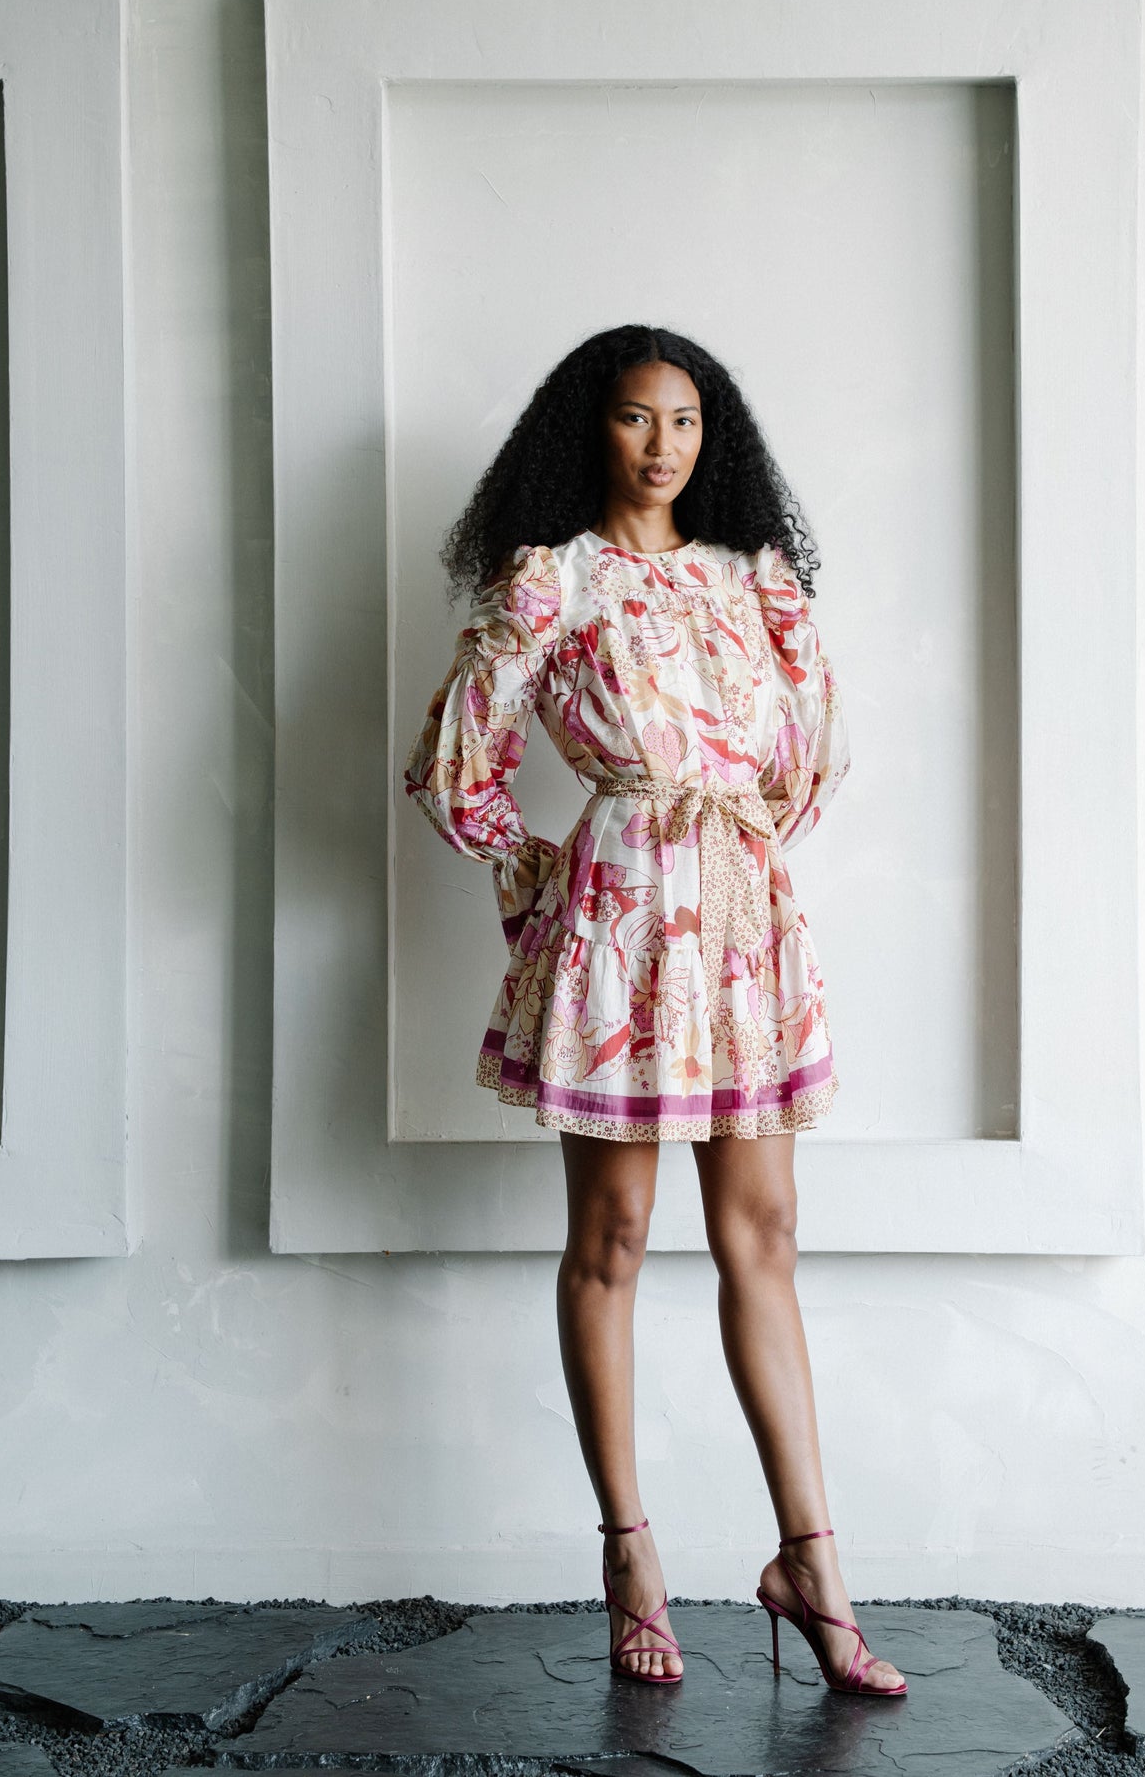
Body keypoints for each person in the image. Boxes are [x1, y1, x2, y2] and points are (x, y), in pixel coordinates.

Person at [403, 325, 904, 1697]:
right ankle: (630, 1558)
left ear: (710, 436)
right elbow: (454, 765)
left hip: (740, 930)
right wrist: (549, 884)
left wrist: (733, 857)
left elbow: (813, 757)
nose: (663, 444)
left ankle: (812, 1562)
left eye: (685, 420)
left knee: (766, 1235)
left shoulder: (755, 581)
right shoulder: (551, 579)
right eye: (636, 417)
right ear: (594, 430)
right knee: (612, 1236)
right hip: (620, 927)